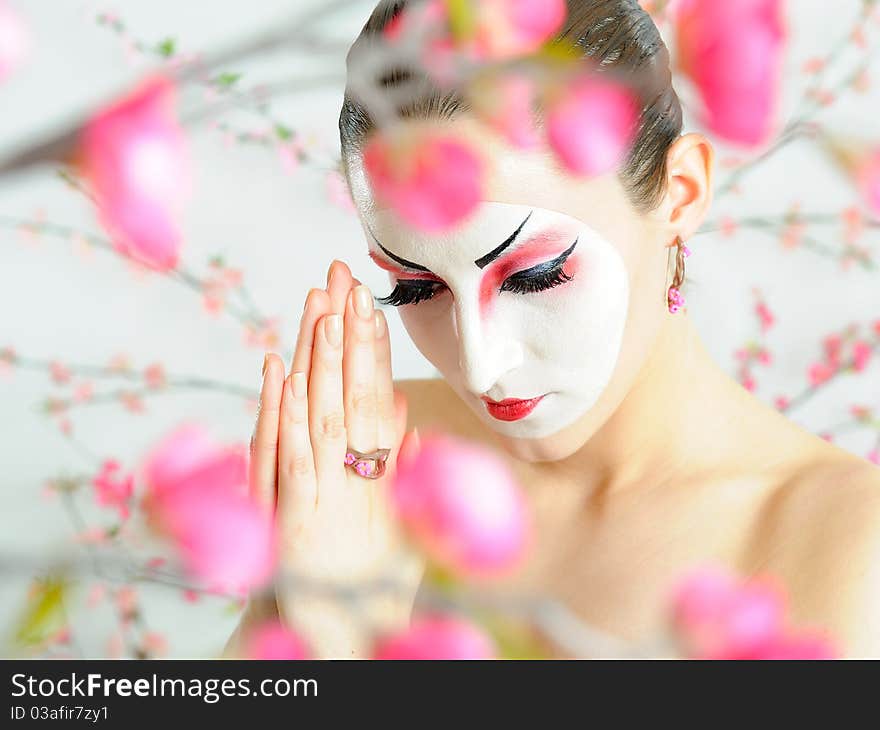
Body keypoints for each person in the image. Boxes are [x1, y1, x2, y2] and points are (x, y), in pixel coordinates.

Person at [225, 0, 880, 659]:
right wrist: (296, 616)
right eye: (417, 288)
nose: (479, 365)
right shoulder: (357, 463)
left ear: (680, 193)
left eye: (534, 276)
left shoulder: (846, 543)